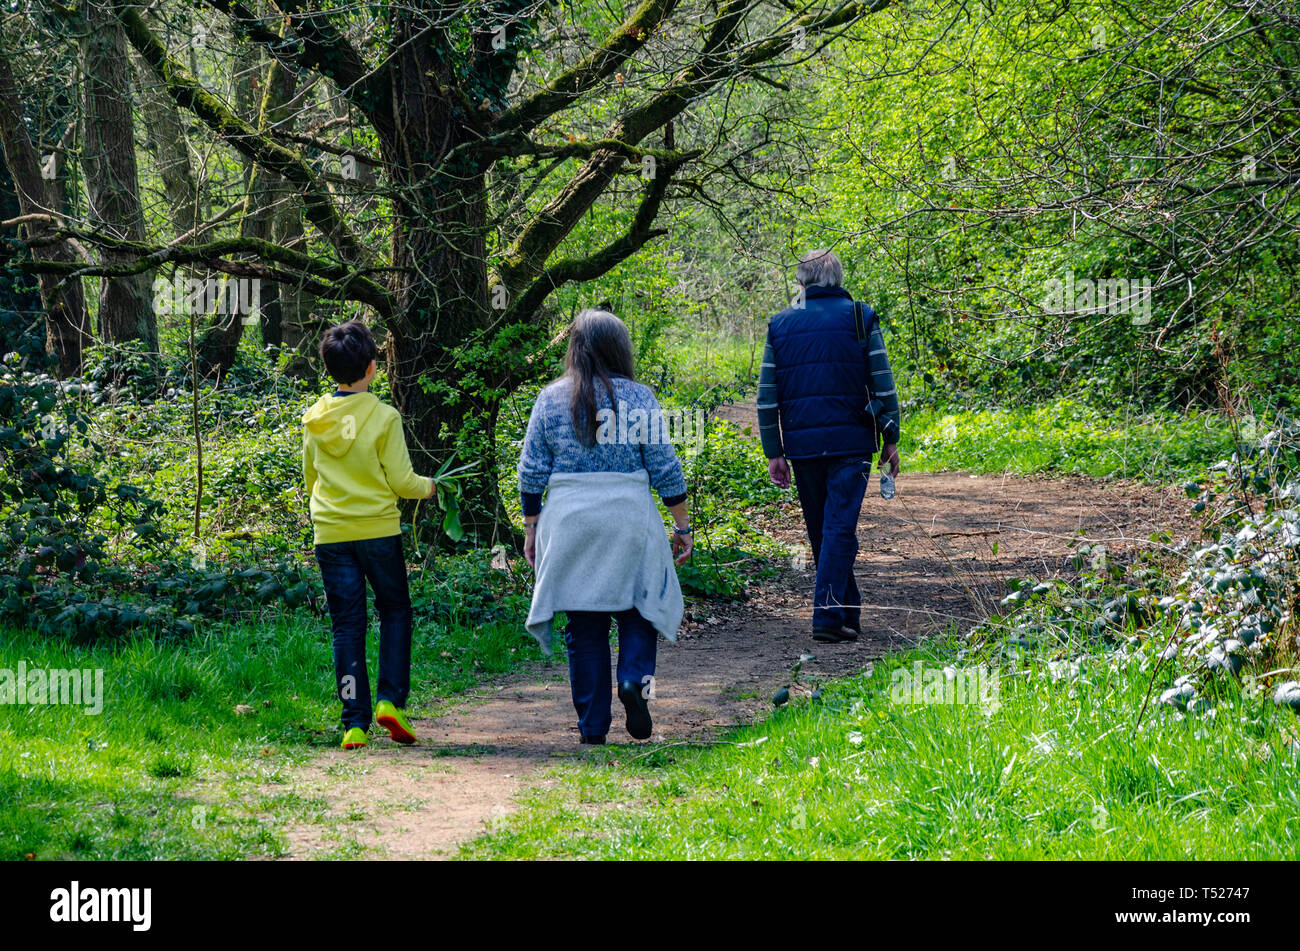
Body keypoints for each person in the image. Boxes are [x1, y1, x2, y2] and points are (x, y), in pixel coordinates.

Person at [518, 309, 693, 745]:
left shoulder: (550, 398)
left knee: (585, 624)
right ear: (620, 349)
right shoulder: (640, 398)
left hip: (571, 524)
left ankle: (592, 728)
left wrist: (531, 527)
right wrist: (682, 525)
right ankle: (634, 680)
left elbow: (531, 471)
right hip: (629, 519)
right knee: (639, 613)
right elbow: (664, 467)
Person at [302, 320, 436, 749]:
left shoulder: (314, 420)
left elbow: (310, 479)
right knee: (395, 610)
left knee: (346, 626)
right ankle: (389, 702)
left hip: (331, 533)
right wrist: (429, 487)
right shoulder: (383, 416)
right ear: (373, 368)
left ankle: (353, 723)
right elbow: (401, 481)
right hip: (378, 530)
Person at [756, 249, 901, 643]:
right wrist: (891, 440)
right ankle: (826, 616)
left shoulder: (780, 324)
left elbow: (767, 396)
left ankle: (846, 613)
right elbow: (883, 382)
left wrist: (775, 450)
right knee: (837, 529)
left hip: (803, 449)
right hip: (853, 443)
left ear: (801, 283)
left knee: (824, 532)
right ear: (837, 279)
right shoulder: (859, 316)